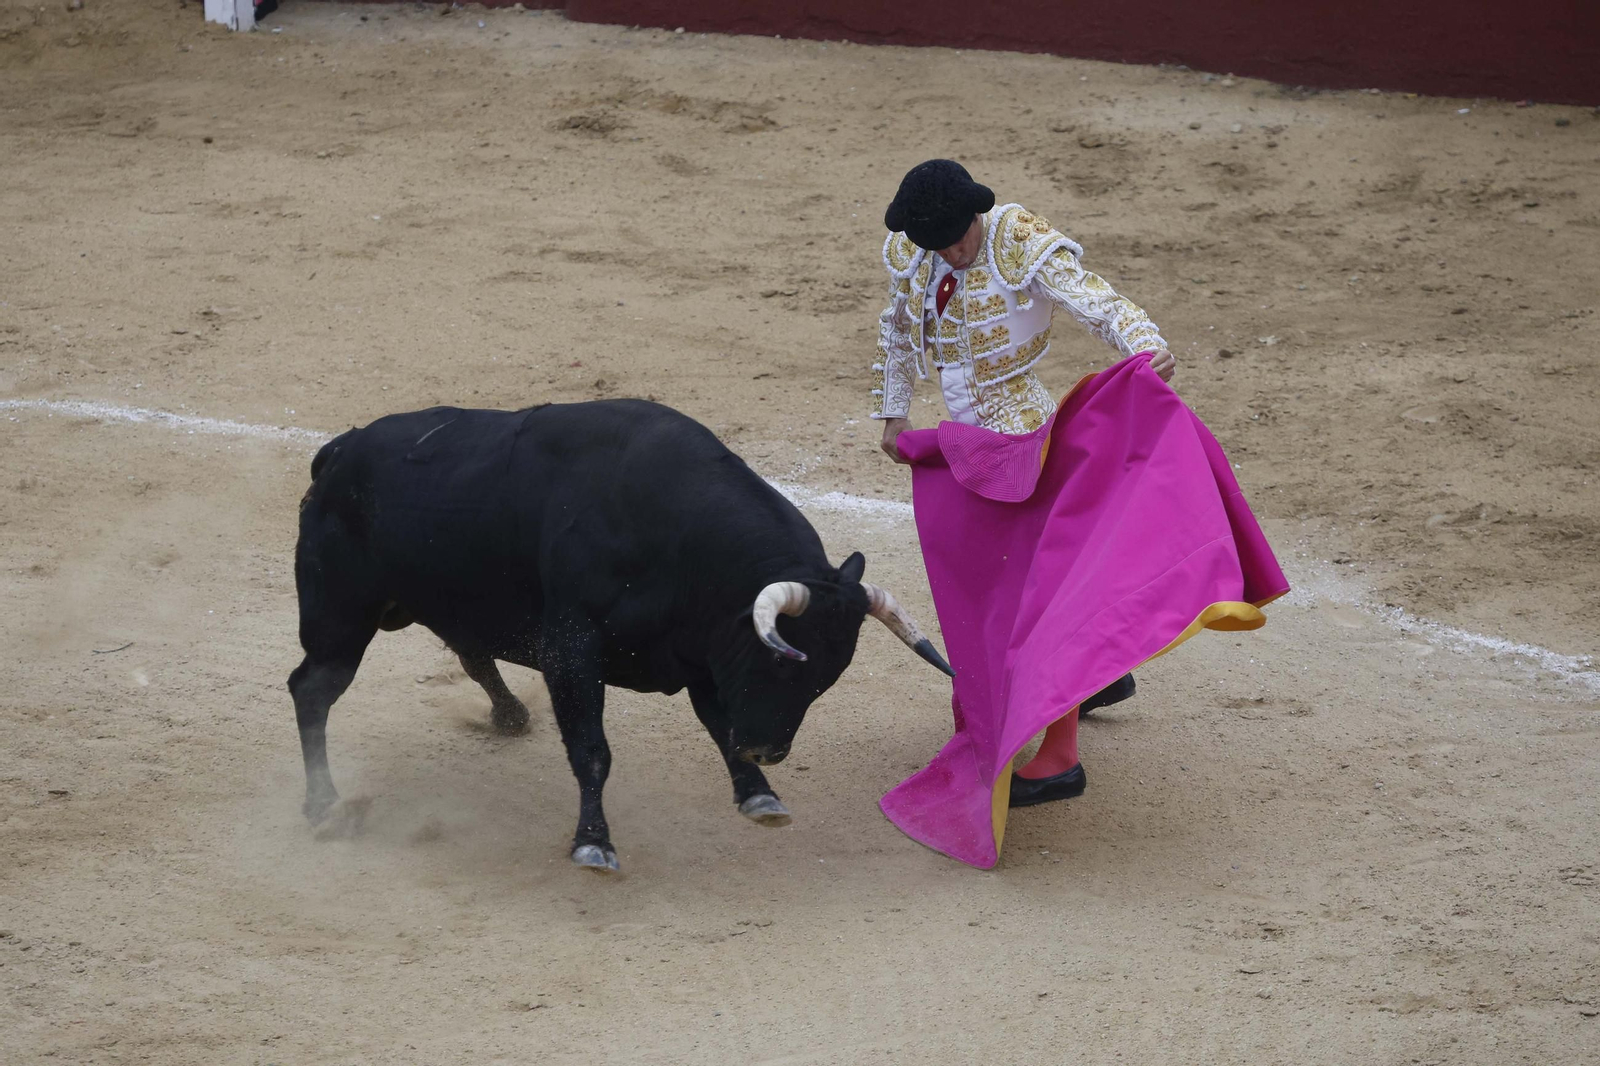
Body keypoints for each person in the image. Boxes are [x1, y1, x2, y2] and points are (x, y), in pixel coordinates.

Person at [870, 159, 1177, 809]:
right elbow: (898, 329)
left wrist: (1144, 350)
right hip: (969, 445)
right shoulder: (916, 253)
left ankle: (1061, 758)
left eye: (958, 240)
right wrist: (894, 409)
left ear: (976, 216)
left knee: (1022, 597)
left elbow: (1094, 301)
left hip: (1023, 438)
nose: (951, 254)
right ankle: (1093, 680)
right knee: (1027, 586)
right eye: (939, 245)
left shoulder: (1016, 240)